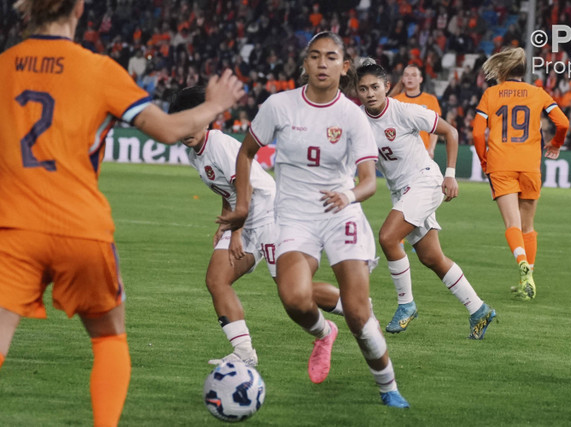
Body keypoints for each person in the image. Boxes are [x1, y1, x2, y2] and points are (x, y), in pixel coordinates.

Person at [0, 1, 244, 426]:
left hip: (14, 227)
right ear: (77, 9)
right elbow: (168, 131)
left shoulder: (4, 66)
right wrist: (214, 103)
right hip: (81, 228)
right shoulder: (98, 69)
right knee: (109, 338)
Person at [217, 32, 409, 408]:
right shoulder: (279, 106)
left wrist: (348, 195)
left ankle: (387, 384)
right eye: (315, 57)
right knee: (293, 297)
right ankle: (323, 333)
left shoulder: (352, 116)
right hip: (293, 216)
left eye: (331, 57)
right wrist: (242, 206)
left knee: (357, 311)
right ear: (305, 64)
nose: (323, 64)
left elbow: (369, 181)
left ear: (344, 66)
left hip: (341, 214)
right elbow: (246, 154)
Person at [167, 86, 341, 367]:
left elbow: (243, 185)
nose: (187, 129)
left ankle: (353, 308)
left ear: (207, 119)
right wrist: (225, 223)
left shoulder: (218, 144)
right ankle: (245, 353)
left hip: (271, 216)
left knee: (291, 290)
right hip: (245, 219)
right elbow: (229, 192)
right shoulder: (195, 154)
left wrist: (236, 232)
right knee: (216, 279)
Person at [355, 59, 496, 339]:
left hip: (425, 181)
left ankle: (406, 304)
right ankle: (479, 310)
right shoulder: (358, 121)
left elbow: (450, 132)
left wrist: (451, 175)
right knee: (432, 257)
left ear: (386, 87)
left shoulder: (404, 111)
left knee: (387, 237)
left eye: (374, 87)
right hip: (402, 191)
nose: (369, 93)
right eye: (362, 88)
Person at [472, 47, 569, 300]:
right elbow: (564, 123)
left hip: (501, 164)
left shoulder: (491, 94)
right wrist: (556, 144)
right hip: (530, 165)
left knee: (511, 224)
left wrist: (484, 160)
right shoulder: (538, 93)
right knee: (528, 226)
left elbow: (475, 133)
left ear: (503, 69)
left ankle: (522, 266)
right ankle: (528, 280)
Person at [389, 64, 442, 158]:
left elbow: (435, 128)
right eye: (406, 75)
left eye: (413, 75)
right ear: (403, 79)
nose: (410, 78)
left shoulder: (431, 100)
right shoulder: (395, 101)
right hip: (400, 152)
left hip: (422, 152)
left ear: (420, 79)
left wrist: (431, 148)